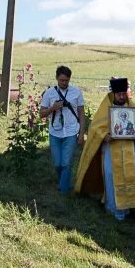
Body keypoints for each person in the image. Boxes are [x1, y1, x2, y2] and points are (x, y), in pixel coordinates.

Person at [74, 77, 135, 220]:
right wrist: (104, 135)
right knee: (112, 175)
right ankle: (114, 209)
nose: (122, 97)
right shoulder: (105, 107)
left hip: (131, 147)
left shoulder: (132, 107)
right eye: (119, 94)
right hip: (112, 148)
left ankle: (131, 207)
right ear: (113, 94)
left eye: (124, 94)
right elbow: (95, 127)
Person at [39, 65, 85, 195]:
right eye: (61, 80)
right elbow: (41, 114)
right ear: (56, 78)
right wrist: (52, 108)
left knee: (66, 164)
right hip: (55, 132)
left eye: (66, 80)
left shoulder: (76, 92)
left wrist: (81, 133)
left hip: (71, 132)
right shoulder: (49, 93)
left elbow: (81, 113)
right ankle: (64, 183)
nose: (64, 83)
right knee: (57, 164)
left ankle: (63, 192)